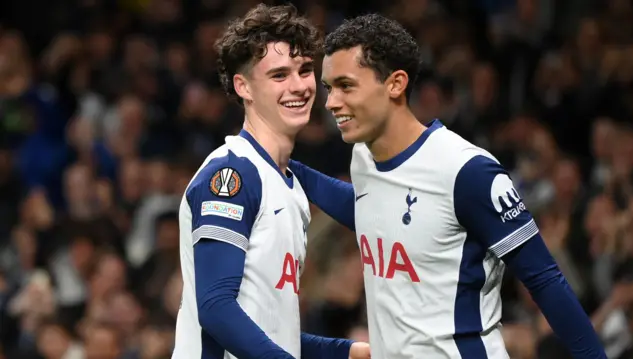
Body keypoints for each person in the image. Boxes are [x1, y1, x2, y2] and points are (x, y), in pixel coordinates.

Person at [289, 14, 607, 359]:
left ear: (395, 84)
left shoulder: (467, 171)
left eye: (346, 85)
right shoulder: (363, 157)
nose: (331, 102)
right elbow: (374, 211)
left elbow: (545, 281)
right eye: (328, 87)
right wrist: (283, 165)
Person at [172, 4, 370, 359]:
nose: (298, 86)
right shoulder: (231, 174)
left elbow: (272, 334)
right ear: (243, 86)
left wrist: (348, 352)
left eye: (305, 70)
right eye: (279, 75)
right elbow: (216, 308)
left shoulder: (288, 182)